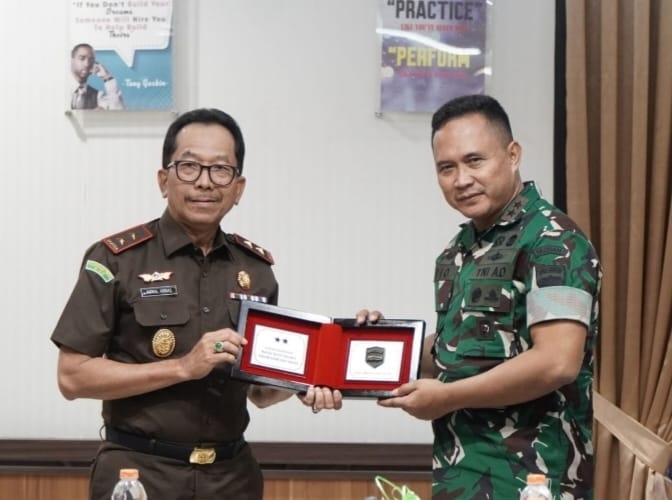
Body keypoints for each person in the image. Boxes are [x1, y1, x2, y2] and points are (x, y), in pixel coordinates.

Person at [51, 108, 341, 500]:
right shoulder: (115, 260)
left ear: (238, 188)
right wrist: (183, 367)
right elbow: (73, 377)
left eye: (220, 170)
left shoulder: (256, 271)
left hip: (231, 479)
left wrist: (306, 382)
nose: (205, 182)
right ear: (163, 180)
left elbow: (260, 393)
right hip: (139, 474)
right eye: (189, 167)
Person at [361, 94, 601, 499]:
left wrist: (447, 397)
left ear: (513, 155)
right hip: (461, 474)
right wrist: (380, 344)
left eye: (475, 161)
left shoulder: (553, 240)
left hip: (533, 478)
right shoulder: (458, 251)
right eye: (446, 168)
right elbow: (461, 345)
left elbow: (556, 361)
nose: (461, 179)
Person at [70, 43, 124, 110]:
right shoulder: (61, 88)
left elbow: (118, 110)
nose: (87, 64)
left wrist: (107, 77)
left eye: (91, 60)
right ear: (72, 60)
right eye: (82, 58)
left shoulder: (98, 96)